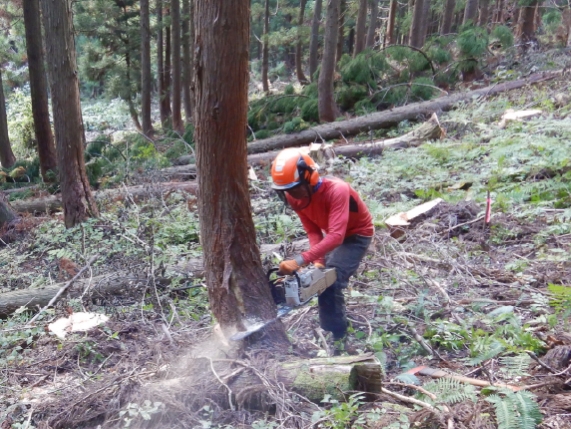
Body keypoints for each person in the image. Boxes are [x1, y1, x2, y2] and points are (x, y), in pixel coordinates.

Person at [270, 148, 374, 341]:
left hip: (357, 235)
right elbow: (313, 231)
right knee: (320, 277)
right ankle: (331, 327)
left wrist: (299, 260)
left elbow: (336, 237)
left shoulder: (337, 190)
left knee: (331, 280)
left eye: (294, 188)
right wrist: (317, 262)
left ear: (309, 177)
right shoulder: (295, 198)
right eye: (286, 191)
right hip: (335, 232)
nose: (292, 194)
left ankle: (339, 334)